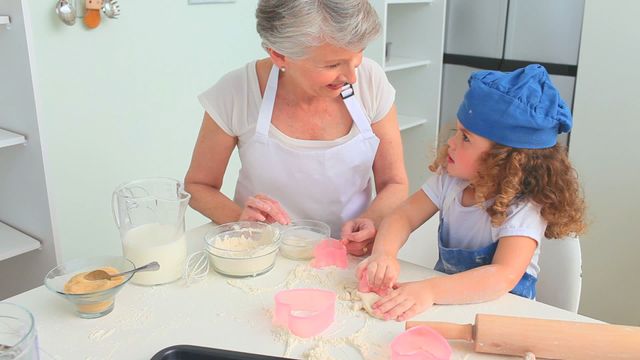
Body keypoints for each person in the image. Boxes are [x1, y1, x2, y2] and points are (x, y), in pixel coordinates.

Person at [357, 64, 586, 321]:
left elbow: (502, 276)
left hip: (501, 317)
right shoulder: (450, 181)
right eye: (457, 132)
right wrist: (384, 254)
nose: (450, 143)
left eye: (465, 138)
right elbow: (403, 216)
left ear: (506, 159)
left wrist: (430, 290)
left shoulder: (524, 208)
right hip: (446, 305)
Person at [184, 0, 408, 256]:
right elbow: (198, 185)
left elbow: (395, 183)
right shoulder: (237, 92)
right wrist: (240, 220)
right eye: (332, 65)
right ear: (279, 55)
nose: (352, 77)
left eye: (357, 57)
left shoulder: (371, 81)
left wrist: (373, 220)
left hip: (349, 256)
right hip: (263, 253)